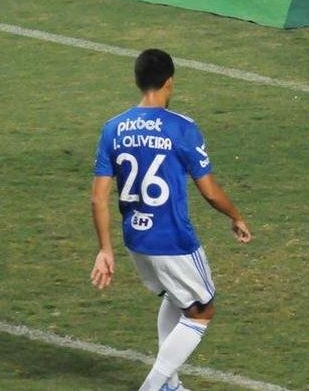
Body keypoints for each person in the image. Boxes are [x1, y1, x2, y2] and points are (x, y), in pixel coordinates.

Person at [90, 49, 252, 391]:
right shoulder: (182, 128)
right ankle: (153, 386)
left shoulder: (113, 129)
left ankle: (169, 386)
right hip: (173, 239)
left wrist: (105, 249)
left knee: (176, 297)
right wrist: (236, 216)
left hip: (135, 239)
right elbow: (210, 192)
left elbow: (98, 197)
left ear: (137, 81)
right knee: (202, 310)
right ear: (169, 82)